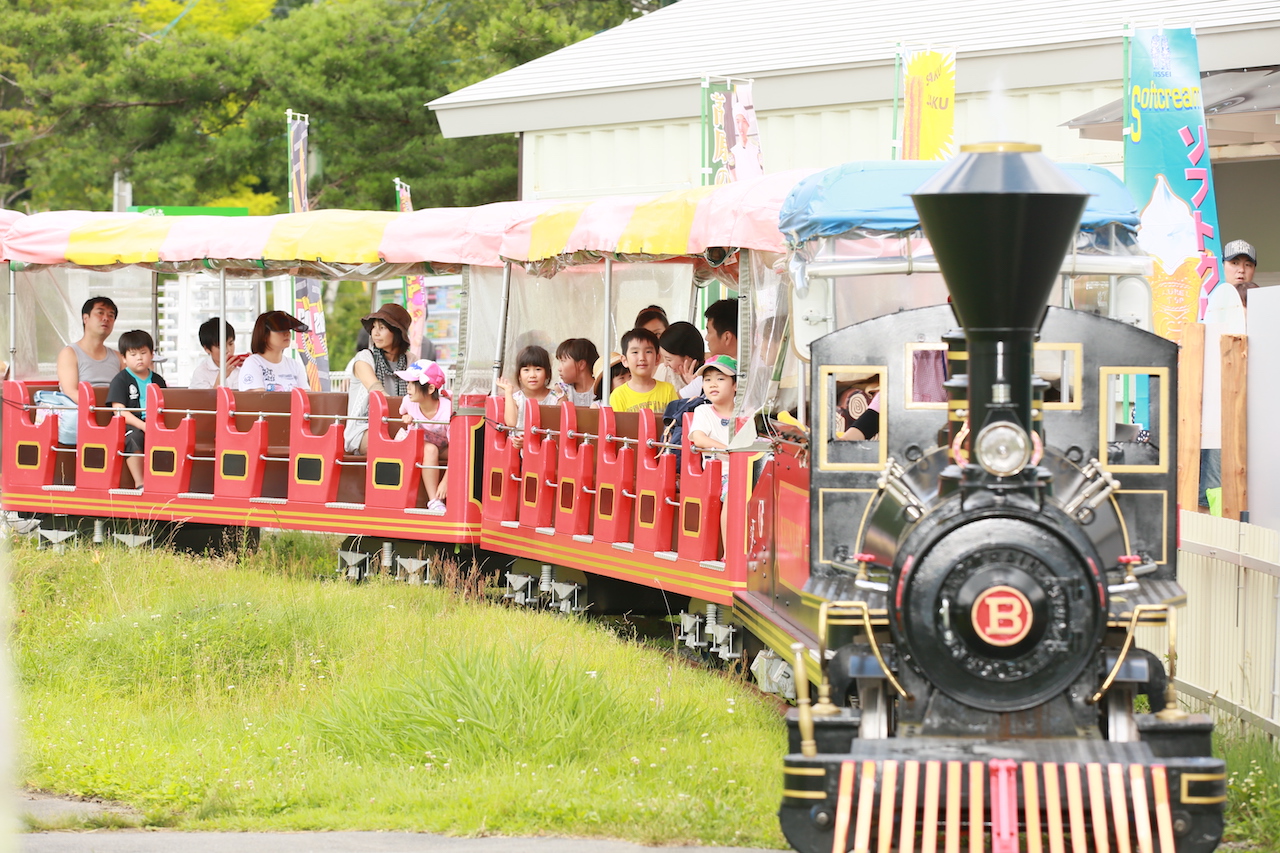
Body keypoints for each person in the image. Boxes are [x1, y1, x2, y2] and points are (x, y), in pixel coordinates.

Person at [43, 296, 124, 445]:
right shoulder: (70, 353)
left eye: (111, 315)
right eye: (100, 313)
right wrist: (101, 410)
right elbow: (70, 392)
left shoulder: (118, 357)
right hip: (84, 418)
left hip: (114, 417)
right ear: (85, 318)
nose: (106, 318)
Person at [687, 355, 738, 553]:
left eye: (720, 378)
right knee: (734, 493)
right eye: (707, 380)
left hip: (745, 470)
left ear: (735, 385)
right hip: (719, 473)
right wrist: (728, 449)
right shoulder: (703, 411)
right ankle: (729, 552)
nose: (712, 384)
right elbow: (698, 438)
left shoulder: (745, 414)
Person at [344, 304, 411, 455]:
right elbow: (377, 391)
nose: (375, 333)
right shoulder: (364, 358)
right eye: (374, 327)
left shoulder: (410, 361)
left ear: (397, 332)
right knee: (388, 443)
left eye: (382, 328)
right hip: (363, 429)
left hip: (401, 426)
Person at [107, 330, 167, 489]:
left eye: (143, 352)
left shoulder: (158, 380)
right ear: (124, 358)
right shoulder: (120, 380)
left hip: (156, 423)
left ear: (152, 354)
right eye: (133, 354)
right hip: (130, 425)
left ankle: (166, 483)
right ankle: (141, 483)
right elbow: (119, 411)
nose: (139, 358)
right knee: (133, 438)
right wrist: (144, 426)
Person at [394, 359, 451, 513]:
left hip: (444, 445)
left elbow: (458, 449)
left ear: (431, 388)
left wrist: (446, 482)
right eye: (408, 383)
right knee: (430, 449)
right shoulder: (408, 401)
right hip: (419, 443)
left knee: (458, 452)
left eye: (413, 384)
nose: (408, 387)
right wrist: (406, 417)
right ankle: (434, 501)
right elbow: (403, 413)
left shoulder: (448, 410)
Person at [498, 344, 562, 449]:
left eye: (538, 369)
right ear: (519, 375)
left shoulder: (557, 398)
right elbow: (511, 423)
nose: (532, 375)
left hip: (548, 450)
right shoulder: (516, 398)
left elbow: (558, 430)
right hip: (519, 454)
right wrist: (508, 392)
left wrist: (530, 441)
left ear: (547, 373)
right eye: (526, 370)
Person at [609, 328, 677, 414]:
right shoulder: (618, 395)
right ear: (625, 360)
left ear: (657, 358)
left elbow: (675, 423)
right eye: (635, 352)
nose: (642, 358)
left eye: (648, 351)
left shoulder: (668, 390)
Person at [239, 311, 309, 393]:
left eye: (288, 329)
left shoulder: (295, 366)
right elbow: (258, 400)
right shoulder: (253, 363)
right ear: (264, 335)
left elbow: (306, 398)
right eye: (280, 329)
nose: (287, 333)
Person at [189, 318, 246, 389]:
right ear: (207, 349)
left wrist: (254, 365)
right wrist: (221, 377)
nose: (228, 350)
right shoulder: (201, 373)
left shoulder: (241, 366)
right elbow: (205, 400)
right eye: (221, 347)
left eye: (231, 344)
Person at [659, 322, 707, 400]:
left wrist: (693, 386)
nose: (665, 364)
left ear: (688, 358)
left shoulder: (708, 377)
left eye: (668, 359)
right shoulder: (665, 371)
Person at [554, 338, 600, 406]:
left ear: (581, 364)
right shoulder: (562, 390)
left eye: (563, 361)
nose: (559, 368)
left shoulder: (603, 389)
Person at [728, 108, 764, 181]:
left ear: (748, 124)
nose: (741, 127)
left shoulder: (757, 151)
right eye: (737, 122)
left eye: (744, 121)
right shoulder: (733, 153)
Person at [1224, 240, 1259, 309]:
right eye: (1235, 263)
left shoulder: (1262, 299)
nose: (1242, 270)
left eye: (1247, 265)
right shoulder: (1210, 298)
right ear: (1222, 265)